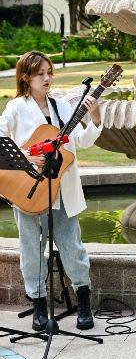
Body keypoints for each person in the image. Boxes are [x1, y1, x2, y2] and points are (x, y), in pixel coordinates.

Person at [0, 51, 103, 331]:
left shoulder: (61, 107)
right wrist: (27, 157)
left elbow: (80, 140)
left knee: (72, 247)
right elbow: (1, 143)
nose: (47, 78)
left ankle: (83, 301)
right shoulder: (15, 108)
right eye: (40, 73)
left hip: (61, 188)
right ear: (25, 77)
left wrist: (94, 117)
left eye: (49, 73)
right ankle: (39, 306)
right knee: (32, 251)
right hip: (28, 189)